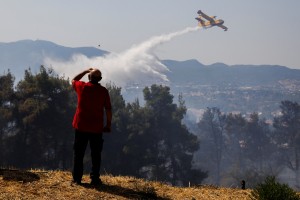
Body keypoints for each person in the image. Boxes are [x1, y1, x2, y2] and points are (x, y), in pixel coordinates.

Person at [71, 68, 112, 186]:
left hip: (81, 126)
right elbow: (108, 109)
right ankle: (95, 179)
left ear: (89, 77)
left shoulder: (81, 87)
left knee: (79, 154)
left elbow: (74, 79)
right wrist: (108, 124)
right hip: (96, 128)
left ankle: (77, 179)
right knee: (96, 154)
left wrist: (84, 71)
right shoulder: (103, 91)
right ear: (100, 79)